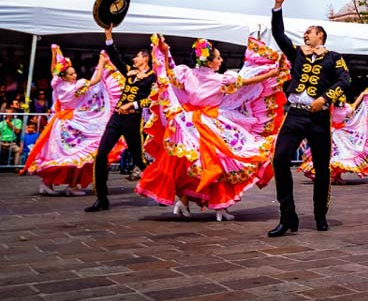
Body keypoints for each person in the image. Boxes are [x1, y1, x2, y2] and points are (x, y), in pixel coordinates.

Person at [136, 36, 285, 220]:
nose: (221, 60)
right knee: (218, 163)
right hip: (210, 123)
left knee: (187, 165)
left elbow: (167, 72)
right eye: (218, 58)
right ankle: (218, 206)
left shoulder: (187, 73)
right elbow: (247, 83)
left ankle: (183, 202)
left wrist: (165, 52)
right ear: (210, 61)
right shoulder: (219, 79)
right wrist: (271, 75)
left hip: (188, 124)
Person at [267, 0, 350, 236]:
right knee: (280, 159)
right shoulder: (297, 53)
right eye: (305, 32)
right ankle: (287, 215)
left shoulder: (334, 58)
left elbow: (345, 81)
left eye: (309, 31)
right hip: (294, 115)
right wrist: (278, 7)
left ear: (320, 35)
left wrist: (325, 98)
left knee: (322, 168)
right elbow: (279, 36)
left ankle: (319, 215)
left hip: (319, 119)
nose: (305, 35)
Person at [22, 45, 123, 196]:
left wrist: (54, 53)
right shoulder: (76, 87)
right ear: (65, 77)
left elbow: (54, 71)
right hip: (73, 123)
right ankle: (70, 186)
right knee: (78, 154)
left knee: (65, 155)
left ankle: (50, 183)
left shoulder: (58, 84)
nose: (74, 75)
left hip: (60, 123)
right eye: (71, 74)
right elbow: (95, 80)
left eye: (74, 73)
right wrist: (101, 62)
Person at [85, 27, 157, 212]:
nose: (134, 59)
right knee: (101, 155)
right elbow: (114, 55)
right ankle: (102, 199)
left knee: (140, 160)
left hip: (134, 121)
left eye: (137, 56)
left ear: (145, 58)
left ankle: (160, 189)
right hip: (117, 118)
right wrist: (108, 34)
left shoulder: (152, 78)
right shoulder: (129, 71)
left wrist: (132, 105)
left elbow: (154, 99)